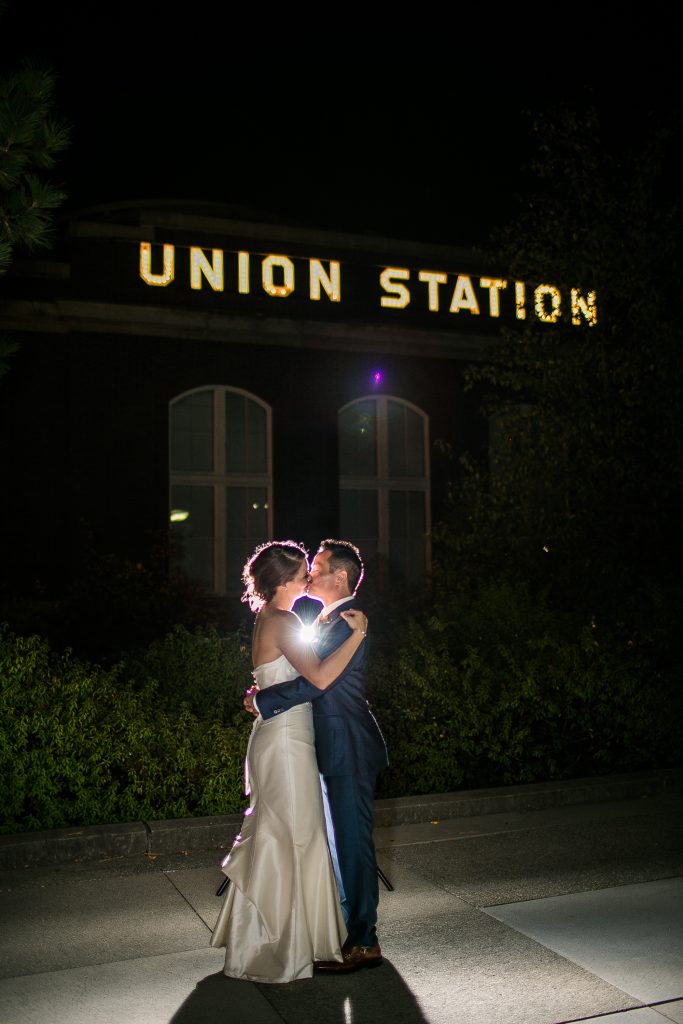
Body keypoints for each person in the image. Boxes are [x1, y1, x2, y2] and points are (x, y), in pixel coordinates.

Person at [210, 540, 369, 984]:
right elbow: (317, 677)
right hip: (285, 742)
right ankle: (284, 947)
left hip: (282, 736)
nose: (309, 578)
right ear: (282, 582)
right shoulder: (282, 620)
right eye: (303, 572)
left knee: (288, 834)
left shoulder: (272, 619)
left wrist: (259, 699)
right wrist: (357, 635)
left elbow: (287, 680)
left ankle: (279, 938)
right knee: (294, 838)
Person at [246, 539, 389, 974]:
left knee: (352, 844)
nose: (311, 575)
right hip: (322, 744)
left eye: (319, 567)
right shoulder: (327, 620)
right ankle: (342, 930)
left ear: (340, 577)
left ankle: (364, 942)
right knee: (333, 842)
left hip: (347, 745)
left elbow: (316, 684)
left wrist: (263, 699)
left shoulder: (348, 622)